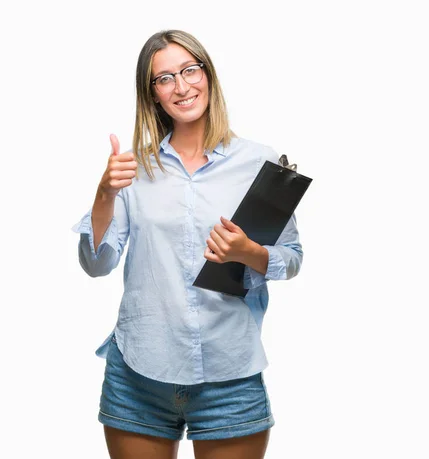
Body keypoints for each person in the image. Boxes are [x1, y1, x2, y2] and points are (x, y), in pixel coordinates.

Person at [72, 29, 303, 459]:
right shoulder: (134, 169)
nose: (181, 87)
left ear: (208, 76)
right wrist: (104, 194)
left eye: (189, 70)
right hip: (139, 372)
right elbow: (96, 263)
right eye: (164, 79)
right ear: (153, 94)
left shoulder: (259, 161)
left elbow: (292, 258)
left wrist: (246, 253)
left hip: (230, 373)